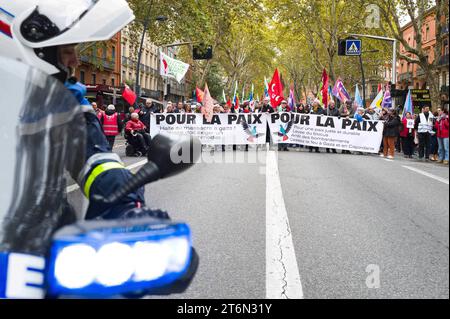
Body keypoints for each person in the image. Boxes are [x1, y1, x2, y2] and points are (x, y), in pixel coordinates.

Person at [0, 0, 146, 221]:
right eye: (68, 50)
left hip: (42, 235)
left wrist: (124, 198)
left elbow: (93, 156)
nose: (76, 61)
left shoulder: (64, 98)